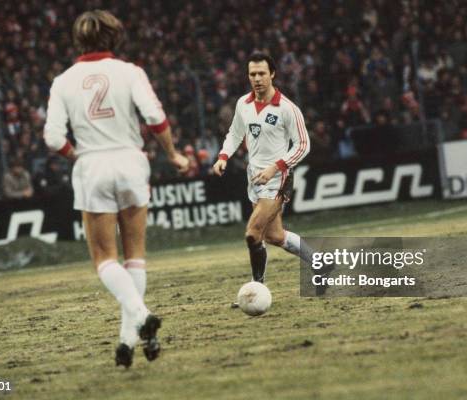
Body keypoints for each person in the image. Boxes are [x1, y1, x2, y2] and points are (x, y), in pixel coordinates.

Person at [43, 10, 188, 368]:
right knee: (134, 254)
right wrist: (173, 154)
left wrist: (76, 155)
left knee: (104, 259)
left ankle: (139, 318)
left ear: (78, 40)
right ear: (114, 36)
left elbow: (52, 137)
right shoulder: (130, 72)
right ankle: (127, 341)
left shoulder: (63, 81)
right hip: (130, 161)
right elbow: (156, 118)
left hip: (93, 165)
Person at [212, 52, 316, 288]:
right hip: (255, 177)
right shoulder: (243, 104)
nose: (257, 78)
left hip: (278, 178)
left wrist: (276, 167)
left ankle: (256, 287)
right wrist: (223, 157)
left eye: (261, 73)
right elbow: (235, 133)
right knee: (274, 236)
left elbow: (303, 145)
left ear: (272, 74)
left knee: (252, 233)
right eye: (252, 74)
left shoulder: (287, 108)